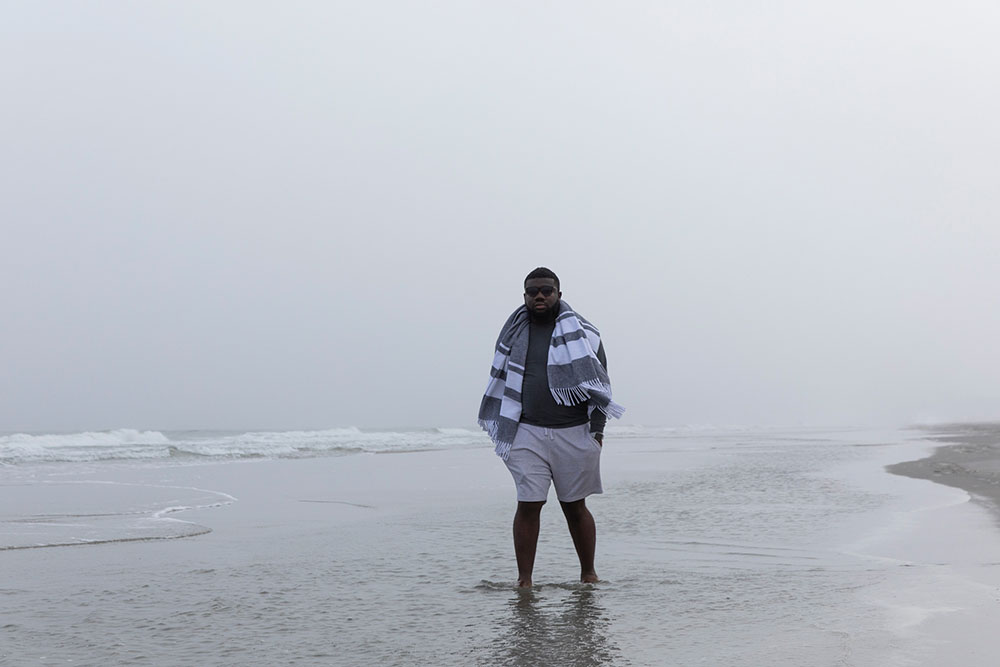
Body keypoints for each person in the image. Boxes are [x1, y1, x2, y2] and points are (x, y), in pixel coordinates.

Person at [479, 267, 624, 587]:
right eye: (533, 292)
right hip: (526, 431)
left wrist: (597, 433)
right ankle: (525, 580)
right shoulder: (513, 333)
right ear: (525, 296)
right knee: (528, 504)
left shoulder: (586, 334)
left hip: (574, 431)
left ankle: (589, 573)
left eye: (546, 290)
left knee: (574, 506)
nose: (540, 296)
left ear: (559, 293)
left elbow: (601, 386)